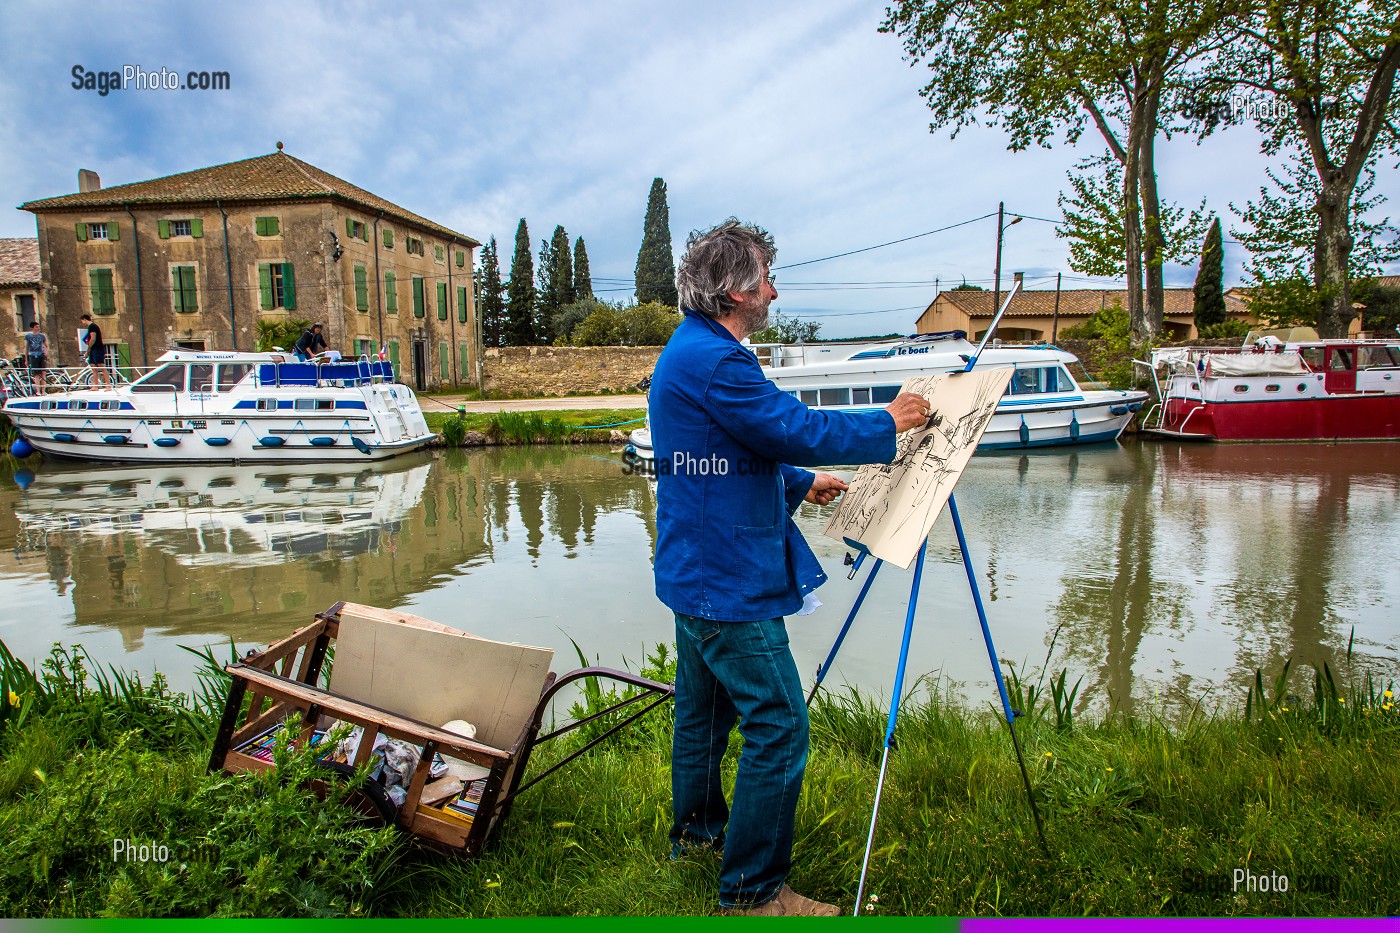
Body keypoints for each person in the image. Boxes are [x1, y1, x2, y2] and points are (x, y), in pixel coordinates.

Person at [650, 219, 929, 917]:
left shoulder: (691, 351)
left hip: (694, 571)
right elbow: (789, 424)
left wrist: (799, 484)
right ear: (736, 290)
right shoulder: (719, 360)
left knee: (702, 717)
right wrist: (888, 418)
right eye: (767, 277)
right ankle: (751, 893)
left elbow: (718, 455)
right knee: (780, 727)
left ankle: (697, 839)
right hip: (726, 583)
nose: (773, 290)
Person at [80, 313, 110, 388]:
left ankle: (108, 385)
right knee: (93, 366)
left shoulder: (93, 326)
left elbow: (93, 339)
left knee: (101, 365)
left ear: (84, 319)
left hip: (97, 348)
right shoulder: (90, 327)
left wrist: (88, 350)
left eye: (82, 321)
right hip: (93, 350)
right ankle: (95, 386)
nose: (82, 323)